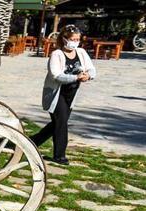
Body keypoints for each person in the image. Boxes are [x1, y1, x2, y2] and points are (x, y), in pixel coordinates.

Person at [30, 24, 96, 165]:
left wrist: (88, 76)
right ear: (65, 39)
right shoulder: (57, 54)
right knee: (61, 123)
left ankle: (32, 142)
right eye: (73, 39)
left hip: (71, 94)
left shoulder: (81, 53)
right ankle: (59, 156)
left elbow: (91, 69)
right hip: (56, 93)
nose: (75, 42)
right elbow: (56, 75)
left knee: (58, 123)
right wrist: (75, 77)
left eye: (78, 39)